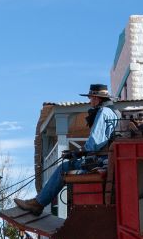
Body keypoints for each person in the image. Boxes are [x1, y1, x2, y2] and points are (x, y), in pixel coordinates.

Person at [15, 84, 119, 215]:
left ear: (97, 98)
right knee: (68, 165)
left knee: (64, 167)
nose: (90, 101)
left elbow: (94, 143)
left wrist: (77, 152)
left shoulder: (103, 112)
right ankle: (38, 201)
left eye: (91, 98)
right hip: (105, 159)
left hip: (100, 161)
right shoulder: (114, 112)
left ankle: (38, 204)